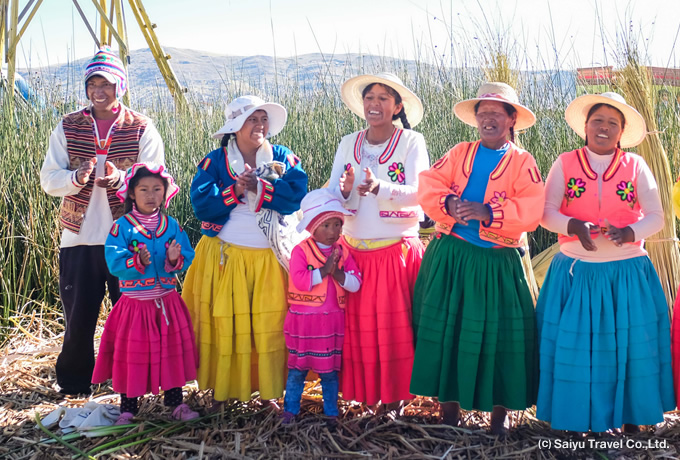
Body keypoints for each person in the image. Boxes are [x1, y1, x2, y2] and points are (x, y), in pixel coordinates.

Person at [536, 92, 674, 433]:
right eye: (598, 120)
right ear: (586, 126)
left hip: (627, 274)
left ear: (621, 132)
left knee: (629, 346)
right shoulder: (565, 162)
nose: (604, 128)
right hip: (576, 272)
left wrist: (630, 232)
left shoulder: (636, 166)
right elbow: (546, 212)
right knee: (578, 349)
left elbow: (657, 215)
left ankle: (631, 420)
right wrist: (572, 226)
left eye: (613, 123)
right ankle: (572, 421)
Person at [411, 82, 544, 435]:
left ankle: (498, 421)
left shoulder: (522, 162)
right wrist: (449, 204)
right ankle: (448, 416)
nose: (488, 119)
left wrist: (489, 212)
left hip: (497, 263)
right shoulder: (460, 152)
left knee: (500, 338)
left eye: (496, 113)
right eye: (482, 113)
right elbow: (428, 182)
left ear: (511, 119)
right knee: (450, 334)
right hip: (452, 256)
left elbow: (532, 208)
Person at [40, 46, 164, 395]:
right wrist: (77, 177)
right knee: (78, 316)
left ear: (119, 86)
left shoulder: (141, 126)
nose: (98, 90)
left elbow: (157, 177)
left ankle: (136, 382)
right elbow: (49, 179)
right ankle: (77, 384)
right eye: (92, 82)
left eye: (106, 83)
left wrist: (122, 182)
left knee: (133, 314)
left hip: (129, 239)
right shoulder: (68, 125)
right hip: (79, 237)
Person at [183, 95, 308, 409]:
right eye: (253, 119)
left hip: (270, 258)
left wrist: (260, 188)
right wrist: (236, 190)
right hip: (227, 257)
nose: (260, 125)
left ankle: (268, 391)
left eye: (263, 118)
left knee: (270, 326)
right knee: (227, 324)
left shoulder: (282, 156)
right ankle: (223, 390)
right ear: (236, 126)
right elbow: (201, 203)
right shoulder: (215, 161)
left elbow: (296, 194)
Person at [327, 72, 428, 411]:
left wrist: (380, 189)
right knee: (360, 332)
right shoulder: (347, 143)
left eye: (384, 98)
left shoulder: (411, 143)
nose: (375, 104)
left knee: (392, 330)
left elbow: (422, 192)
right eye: (370, 97)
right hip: (353, 252)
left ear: (397, 106)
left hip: (394, 252)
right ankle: (368, 395)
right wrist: (342, 191)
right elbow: (332, 192)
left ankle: (397, 398)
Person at [92, 163, 198, 424]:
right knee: (133, 356)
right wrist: (136, 261)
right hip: (136, 307)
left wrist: (175, 259)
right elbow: (114, 261)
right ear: (131, 194)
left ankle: (176, 404)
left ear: (165, 193)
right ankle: (128, 409)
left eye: (157, 189)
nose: (151, 195)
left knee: (170, 353)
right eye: (144, 189)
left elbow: (187, 254)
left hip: (167, 304)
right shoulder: (122, 227)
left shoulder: (172, 226)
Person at [281, 189, 362, 423]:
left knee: (329, 372)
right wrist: (324, 271)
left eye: (337, 224)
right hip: (304, 324)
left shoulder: (343, 252)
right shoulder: (301, 251)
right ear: (311, 226)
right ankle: (290, 410)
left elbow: (355, 283)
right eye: (326, 225)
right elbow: (299, 279)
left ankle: (331, 412)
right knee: (297, 370)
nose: (333, 231)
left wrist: (336, 273)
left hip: (331, 324)